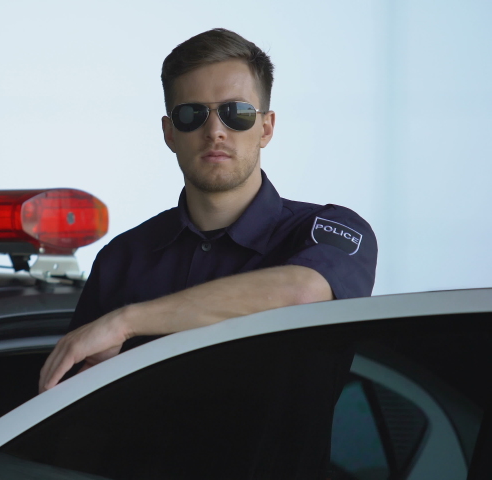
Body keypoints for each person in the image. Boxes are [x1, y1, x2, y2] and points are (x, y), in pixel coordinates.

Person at [39, 28, 377, 393]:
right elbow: (77, 422)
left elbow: (303, 294)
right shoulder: (122, 259)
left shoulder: (329, 230)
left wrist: (128, 322)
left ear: (266, 128)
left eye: (237, 113)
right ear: (170, 133)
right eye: (191, 115)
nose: (215, 130)